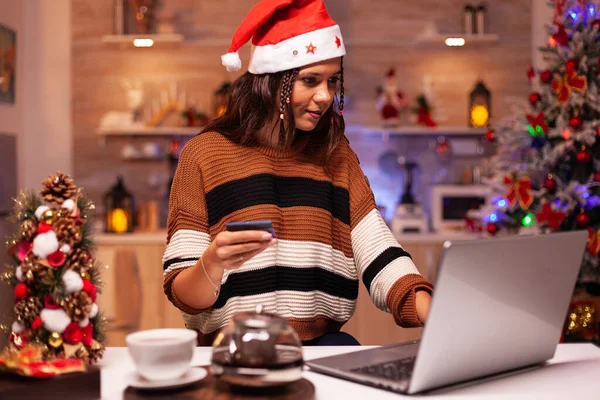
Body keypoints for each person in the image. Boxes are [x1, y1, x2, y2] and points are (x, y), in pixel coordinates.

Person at [162, 0, 433, 346]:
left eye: (332, 81)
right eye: (310, 80)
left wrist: (435, 311)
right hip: (234, 353)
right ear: (270, 81)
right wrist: (213, 261)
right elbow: (183, 292)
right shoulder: (205, 155)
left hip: (323, 350)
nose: (325, 96)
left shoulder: (337, 157)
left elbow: (380, 254)